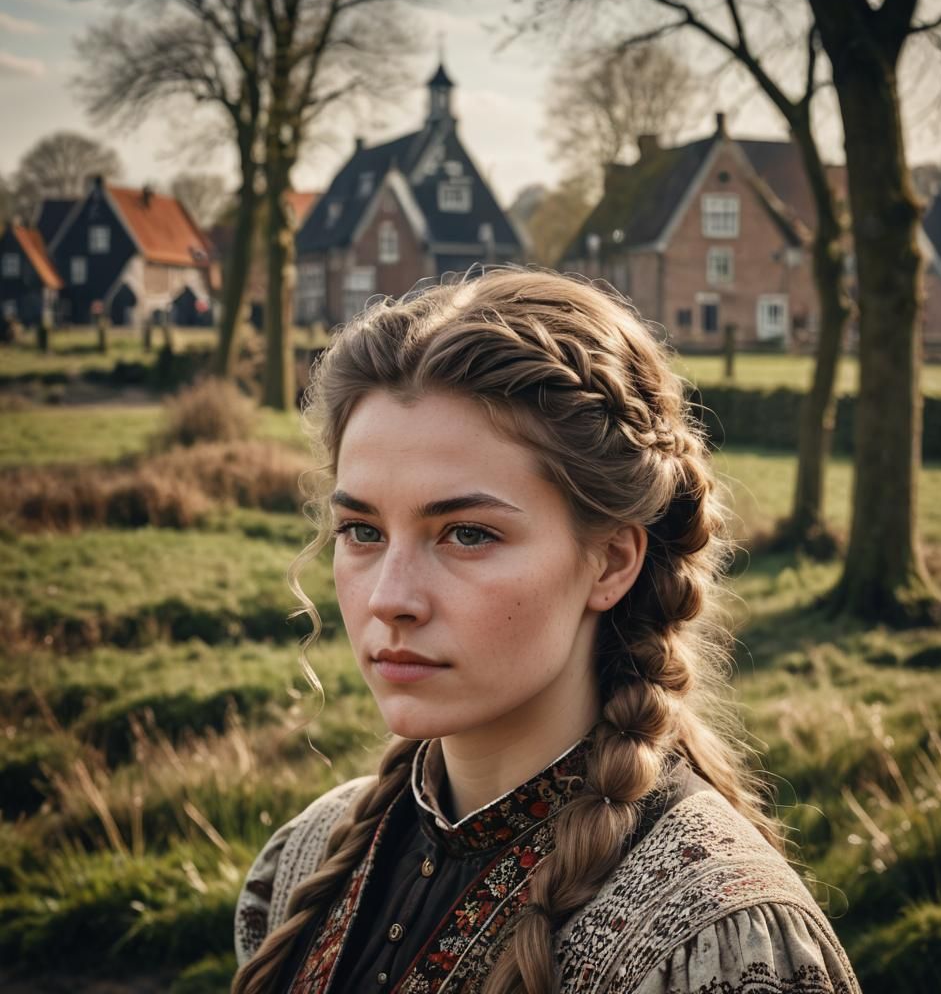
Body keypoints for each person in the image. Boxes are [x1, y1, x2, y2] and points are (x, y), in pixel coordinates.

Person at [232, 268, 860, 994]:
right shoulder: (309, 860)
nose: (390, 598)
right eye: (362, 530)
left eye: (466, 533)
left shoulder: (713, 939)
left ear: (610, 561)